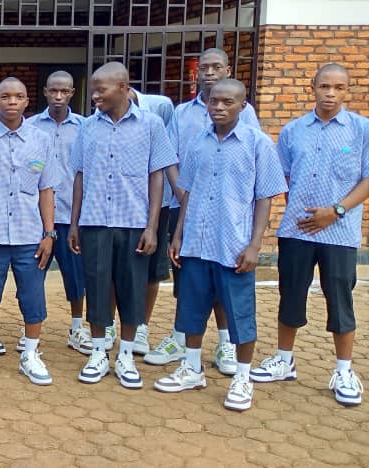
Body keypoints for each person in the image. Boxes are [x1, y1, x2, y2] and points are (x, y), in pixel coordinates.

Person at [154, 79, 286, 412]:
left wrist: (255, 244)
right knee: (191, 308)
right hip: (196, 242)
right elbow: (187, 193)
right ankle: (192, 368)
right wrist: (178, 235)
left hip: (233, 245)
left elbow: (265, 197)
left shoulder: (257, 143)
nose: (219, 107)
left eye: (228, 102)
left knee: (240, 314)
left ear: (243, 105)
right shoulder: (198, 143)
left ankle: (242, 377)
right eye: (214, 101)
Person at [251, 63, 368, 406]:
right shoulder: (293, 131)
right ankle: (284, 360)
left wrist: (335, 211)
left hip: (339, 232)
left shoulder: (361, 130)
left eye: (339, 88)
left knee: (340, 300)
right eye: (324, 86)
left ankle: (344, 370)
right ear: (312, 87)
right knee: (290, 295)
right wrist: (303, 211)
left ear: (347, 91)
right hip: (297, 230)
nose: (330, 94)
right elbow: (285, 176)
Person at [145, 47, 260, 372]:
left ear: (227, 71)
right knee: (189, 280)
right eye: (204, 68)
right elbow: (168, 156)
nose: (209, 73)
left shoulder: (246, 115)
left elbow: (254, 168)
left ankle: (225, 344)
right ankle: (181, 339)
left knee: (225, 278)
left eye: (216, 67)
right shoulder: (182, 113)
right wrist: (184, 194)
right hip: (185, 208)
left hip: (228, 214)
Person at [67, 62, 177, 389]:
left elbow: (157, 176)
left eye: (101, 90)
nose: (95, 96)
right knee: (97, 288)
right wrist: (74, 223)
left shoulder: (151, 124)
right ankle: (98, 352)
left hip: (134, 223)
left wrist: (152, 227)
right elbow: (79, 176)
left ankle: (126, 355)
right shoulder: (88, 127)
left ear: (123, 88)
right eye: (94, 89)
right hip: (95, 221)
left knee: (132, 289)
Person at [0, 78, 60, 385]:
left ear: (27, 101)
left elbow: (46, 190)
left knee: (33, 295)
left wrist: (49, 234)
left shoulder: (41, 140)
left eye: (19, 96)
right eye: (5, 96)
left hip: (30, 235)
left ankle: (30, 354)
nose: (12, 101)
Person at [24, 71, 91, 355]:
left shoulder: (85, 127)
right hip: (37, 216)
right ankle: (29, 330)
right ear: (45, 92)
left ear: (72, 92)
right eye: (53, 91)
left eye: (64, 91)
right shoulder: (30, 126)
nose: (58, 96)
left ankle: (77, 327)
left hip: (71, 216)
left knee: (75, 276)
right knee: (32, 276)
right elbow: (29, 167)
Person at [127, 86, 175, 356]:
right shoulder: (97, 119)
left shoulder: (161, 108)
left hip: (158, 203)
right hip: (121, 204)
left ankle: (141, 326)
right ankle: (111, 325)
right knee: (115, 269)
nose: (97, 97)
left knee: (152, 268)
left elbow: (166, 157)